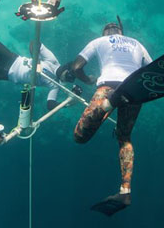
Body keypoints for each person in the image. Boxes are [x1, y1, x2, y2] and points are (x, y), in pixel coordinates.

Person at [57, 20, 152, 216]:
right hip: (134, 90)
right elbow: (151, 70)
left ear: (105, 32)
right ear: (121, 32)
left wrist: (87, 80)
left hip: (108, 87)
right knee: (124, 138)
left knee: (79, 137)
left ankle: (110, 103)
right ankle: (125, 192)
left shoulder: (99, 41)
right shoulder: (137, 43)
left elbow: (75, 67)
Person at [0, 5, 60, 110]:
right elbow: (34, 43)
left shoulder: (55, 85)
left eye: (69, 78)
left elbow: (50, 105)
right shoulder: (53, 61)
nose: (66, 77)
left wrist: (69, 103)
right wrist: (38, 64)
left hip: (4, 74)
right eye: (68, 73)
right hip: (11, 59)